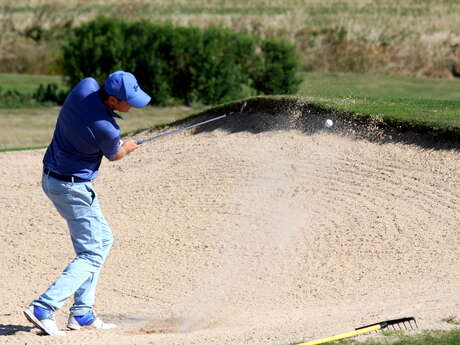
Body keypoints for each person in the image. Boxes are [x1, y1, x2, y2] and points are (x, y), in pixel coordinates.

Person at [23, 71, 151, 336]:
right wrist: (127, 147)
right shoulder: (106, 128)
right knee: (92, 252)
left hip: (53, 177)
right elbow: (115, 154)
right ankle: (43, 308)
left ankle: (82, 313)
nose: (133, 107)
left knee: (102, 240)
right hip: (73, 189)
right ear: (114, 100)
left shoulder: (85, 87)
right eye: (129, 101)